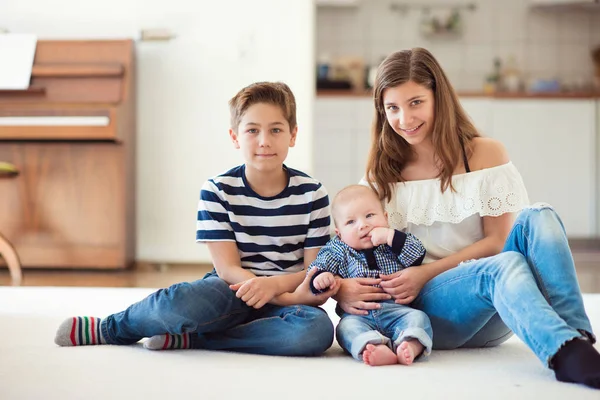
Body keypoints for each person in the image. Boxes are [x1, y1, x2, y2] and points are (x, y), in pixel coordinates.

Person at [332, 48, 600, 388]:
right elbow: (347, 242)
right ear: (382, 112)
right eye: (393, 108)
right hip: (426, 316)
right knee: (502, 265)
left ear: (438, 98)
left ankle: (576, 338)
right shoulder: (381, 173)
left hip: (499, 304)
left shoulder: (485, 154)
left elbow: (497, 243)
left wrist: (424, 271)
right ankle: (565, 355)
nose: (405, 118)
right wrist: (342, 289)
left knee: (539, 215)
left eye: (416, 102)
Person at [54, 81, 339, 356]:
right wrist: (262, 288)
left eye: (276, 130)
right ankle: (110, 328)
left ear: (292, 134)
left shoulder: (312, 193)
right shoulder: (217, 189)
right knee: (177, 303)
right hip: (231, 289)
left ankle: (199, 338)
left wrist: (275, 289)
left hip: (288, 297)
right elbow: (227, 268)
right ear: (235, 137)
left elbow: (312, 270)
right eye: (252, 130)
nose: (264, 141)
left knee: (316, 331)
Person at [309, 184, 431, 366]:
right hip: (357, 315)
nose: (363, 225)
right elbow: (319, 265)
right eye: (351, 222)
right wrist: (321, 278)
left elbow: (417, 254)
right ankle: (374, 346)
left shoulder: (393, 242)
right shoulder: (338, 249)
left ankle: (410, 345)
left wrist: (390, 236)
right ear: (339, 234)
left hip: (397, 310)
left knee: (419, 318)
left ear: (386, 218)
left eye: (370, 216)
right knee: (345, 329)